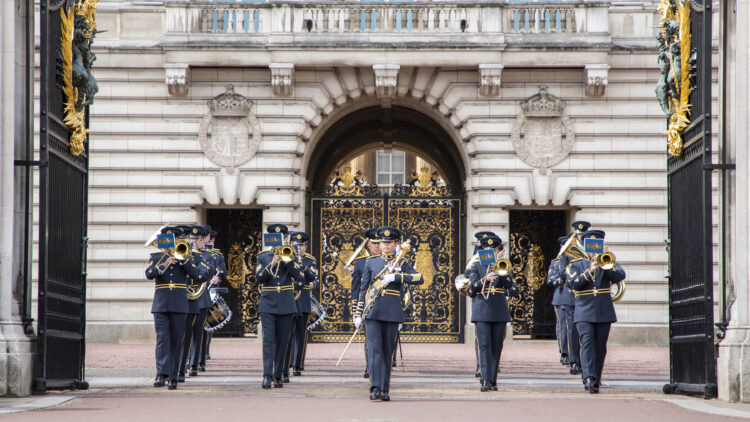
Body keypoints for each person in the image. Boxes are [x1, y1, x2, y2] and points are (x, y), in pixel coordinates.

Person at [356, 227, 423, 401]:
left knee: (387, 352)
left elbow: (419, 278)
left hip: (392, 311)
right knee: (374, 351)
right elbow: (363, 290)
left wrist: (397, 277)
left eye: (389, 243)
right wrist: (358, 313)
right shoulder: (371, 262)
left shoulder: (403, 262)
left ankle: (385, 388)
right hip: (373, 311)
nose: (386, 246)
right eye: (383, 243)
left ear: (395, 244)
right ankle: (375, 387)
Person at [146, 225, 207, 390]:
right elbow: (149, 274)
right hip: (160, 303)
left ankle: (173, 376)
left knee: (176, 341)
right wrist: (165, 263)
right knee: (162, 340)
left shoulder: (188, 257)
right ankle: (161, 373)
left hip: (179, 304)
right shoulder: (156, 256)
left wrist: (184, 260)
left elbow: (198, 275)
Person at [566, 229, 626, 394]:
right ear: (585, 246)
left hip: (603, 310)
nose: (593, 249)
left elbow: (621, 275)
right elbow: (572, 284)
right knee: (587, 344)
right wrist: (589, 271)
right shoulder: (576, 264)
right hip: (584, 311)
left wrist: (606, 267)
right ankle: (589, 377)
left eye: (596, 245)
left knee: (600, 347)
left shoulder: (608, 260)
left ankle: (596, 378)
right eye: (590, 246)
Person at [256, 224, 307, 389]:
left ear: (284, 239)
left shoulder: (291, 256)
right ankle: (267, 375)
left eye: (281, 238)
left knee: (283, 341)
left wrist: (289, 261)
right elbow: (259, 278)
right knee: (269, 340)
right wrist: (272, 263)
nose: (278, 242)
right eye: (274, 238)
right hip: (268, 303)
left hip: (286, 303)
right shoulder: (263, 257)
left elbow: (300, 279)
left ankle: (278, 375)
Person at [467, 234, 519, 392]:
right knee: (484, 346)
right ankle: (484, 379)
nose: (491, 253)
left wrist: (503, 274)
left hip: (499, 311)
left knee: (496, 347)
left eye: (494, 250)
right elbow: (470, 290)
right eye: (487, 250)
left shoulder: (504, 266)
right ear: (482, 251)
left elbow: (513, 289)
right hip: (482, 311)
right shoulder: (476, 266)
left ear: (498, 251)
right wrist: (485, 279)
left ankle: (493, 379)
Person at [283, 231, 319, 380]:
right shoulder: (285, 257)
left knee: (300, 334)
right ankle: (287, 363)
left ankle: (298, 364)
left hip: (302, 299)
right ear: (291, 245)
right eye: (297, 245)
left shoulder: (310, 260)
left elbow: (314, 279)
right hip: (289, 298)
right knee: (287, 334)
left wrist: (300, 263)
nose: (300, 247)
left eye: (302, 245)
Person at [559, 220, 591, 376]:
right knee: (572, 330)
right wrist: (574, 273)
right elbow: (561, 272)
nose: (580, 236)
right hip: (572, 294)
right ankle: (574, 361)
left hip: (589, 296)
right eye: (578, 234)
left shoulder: (593, 250)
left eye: (583, 234)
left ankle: (587, 363)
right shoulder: (568, 251)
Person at [348, 227, 380, 378]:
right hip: (368, 307)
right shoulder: (360, 263)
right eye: (374, 243)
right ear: (368, 244)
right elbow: (356, 289)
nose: (376, 246)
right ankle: (370, 367)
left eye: (379, 243)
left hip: (385, 305)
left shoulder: (393, 261)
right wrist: (356, 312)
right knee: (370, 340)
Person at [195, 228, 226, 371]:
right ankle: (193, 358)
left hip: (208, 292)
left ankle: (202, 355)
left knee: (206, 325)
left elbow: (222, 271)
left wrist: (217, 278)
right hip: (194, 292)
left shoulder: (215, 255)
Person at [468, 231, 495, 379]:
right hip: (480, 298)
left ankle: (490, 367)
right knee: (482, 339)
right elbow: (469, 276)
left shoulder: (496, 260)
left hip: (495, 302)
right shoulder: (476, 259)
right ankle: (481, 366)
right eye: (482, 243)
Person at [546, 236, 570, 367]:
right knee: (563, 326)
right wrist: (559, 281)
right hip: (560, 297)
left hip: (575, 298)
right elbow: (550, 279)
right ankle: (564, 352)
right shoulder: (556, 262)